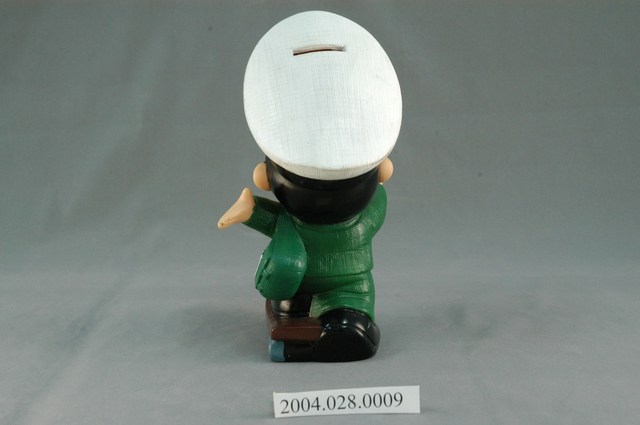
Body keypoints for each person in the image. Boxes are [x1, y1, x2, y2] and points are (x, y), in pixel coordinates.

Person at [218, 11, 402, 362]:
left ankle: (344, 319)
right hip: (299, 281)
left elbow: (278, 221)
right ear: (383, 171)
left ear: (265, 177)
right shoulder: (369, 204)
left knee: (351, 325)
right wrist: (252, 212)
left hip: (348, 287)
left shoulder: (365, 210)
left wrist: (252, 210)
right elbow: (281, 222)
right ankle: (300, 308)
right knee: (289, 297)